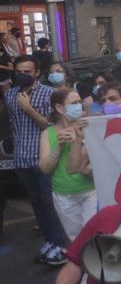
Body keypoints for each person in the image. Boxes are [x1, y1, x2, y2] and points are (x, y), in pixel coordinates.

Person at [6, 55, 69, 264]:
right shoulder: (11, 94)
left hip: (41, 158)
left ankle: (62, 245)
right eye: (19, 72)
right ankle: (51, 240)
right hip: (21, 159)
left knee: (50, 204)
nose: (23, 75)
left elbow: (50, 127)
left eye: (27, 72)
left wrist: (29, 109)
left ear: (37, 73)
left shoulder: (49, 94)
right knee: (37, 205)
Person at [38, 88, 95, 243]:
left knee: (93, 234)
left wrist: (80, 139)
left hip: (90, 191)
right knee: (76, 240)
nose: (79, 106)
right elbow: (45, 168)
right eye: (74, 103)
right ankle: (84, 267)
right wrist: (60, 146)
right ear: (60, 108)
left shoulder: (89, 126)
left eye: (80, 102)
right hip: (63, 194)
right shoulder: (48, 133)